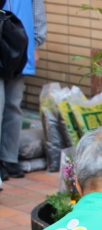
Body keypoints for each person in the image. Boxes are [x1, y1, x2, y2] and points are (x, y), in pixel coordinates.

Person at [0, 0, 46, 180]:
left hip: (19, 48)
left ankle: (8, 158)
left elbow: (38, 12)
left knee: (14, 106)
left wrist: (35, 44)